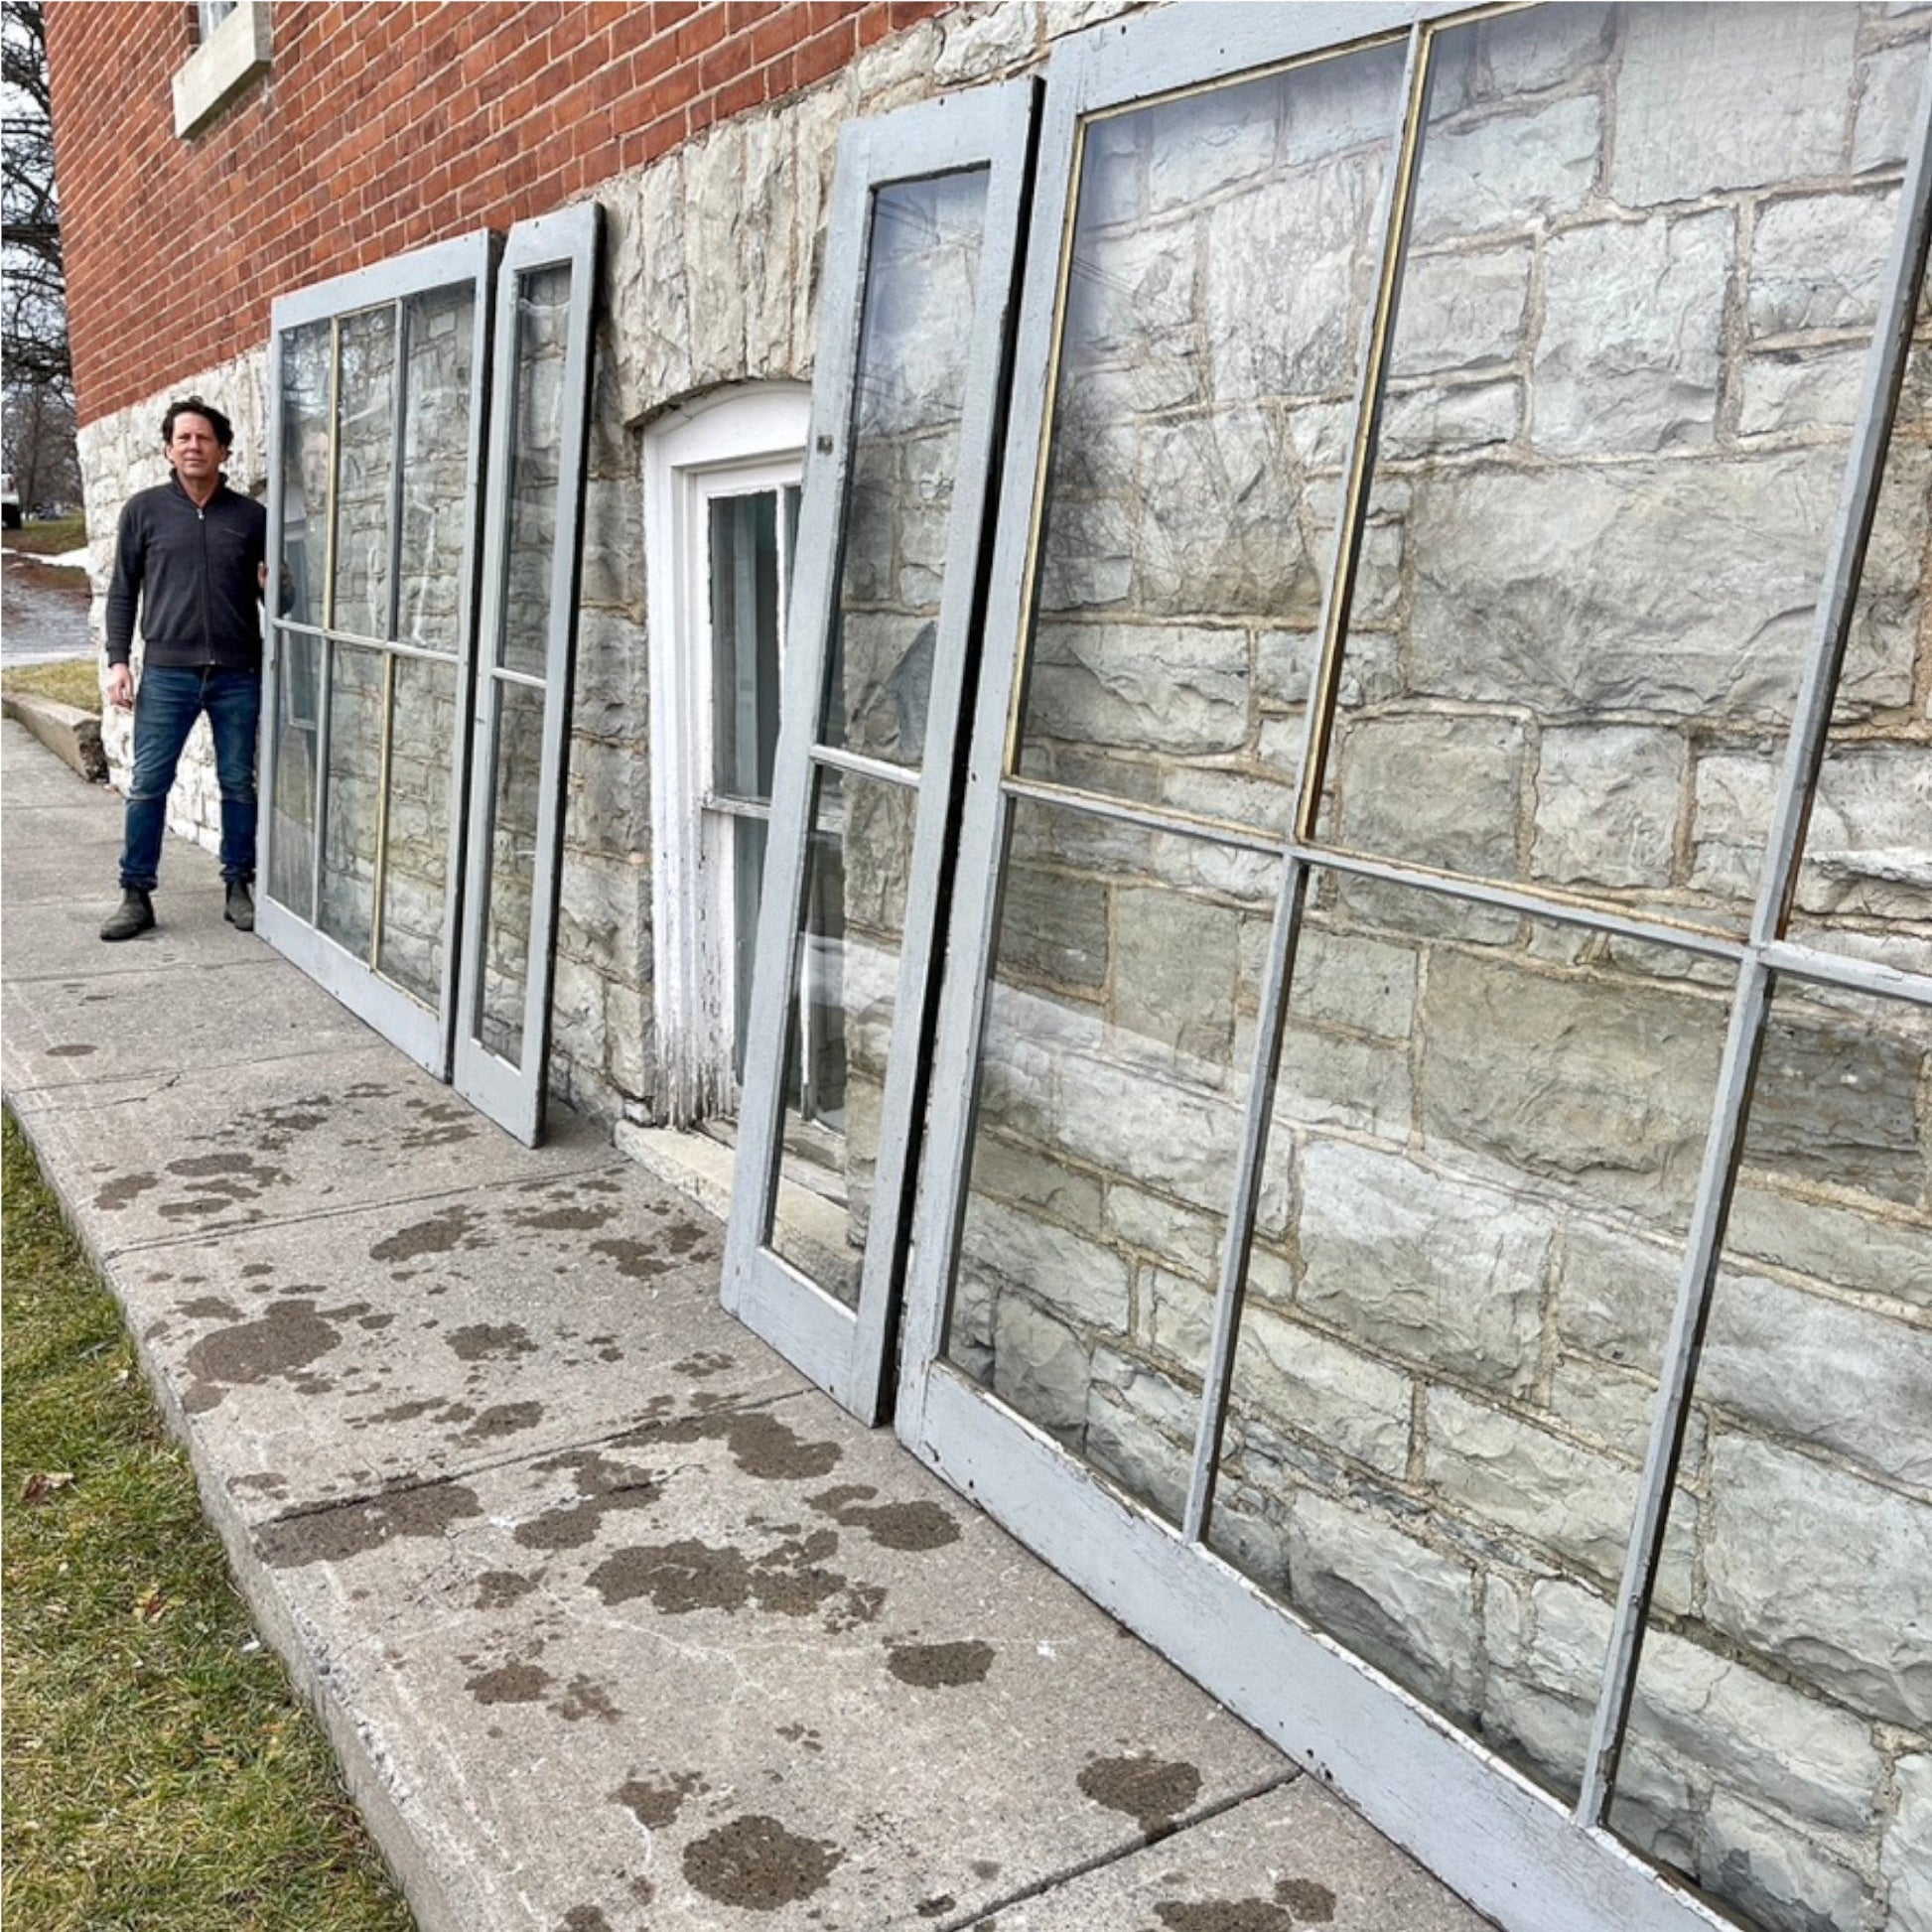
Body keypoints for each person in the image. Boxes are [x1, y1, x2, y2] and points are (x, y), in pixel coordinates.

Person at [99, 397, 269, 941]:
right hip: (168, 674)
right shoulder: (144, 511)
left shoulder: (251, 517)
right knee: (149, 783)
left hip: (237, 673)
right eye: (183, 439)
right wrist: (118, 661)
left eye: (204, 438)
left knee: (238, 783)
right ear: (168, 449)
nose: (193, 447)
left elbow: (287, 598)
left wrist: (277, 590)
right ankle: (135, 893)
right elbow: (123, 592)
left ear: (223, 448)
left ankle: (238, 885)